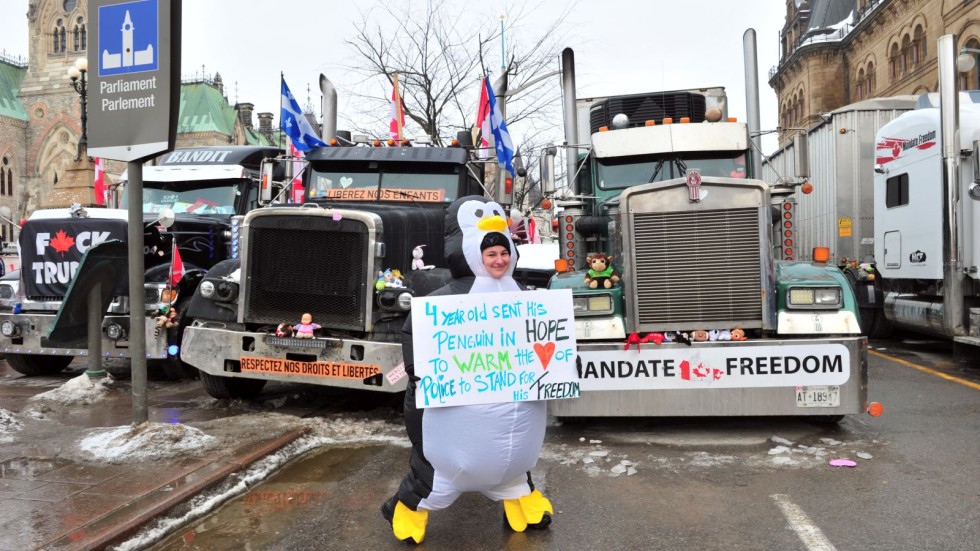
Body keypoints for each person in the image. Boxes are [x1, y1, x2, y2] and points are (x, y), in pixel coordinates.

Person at [381, 196, 553, 544]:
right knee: (439, 473)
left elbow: (547, 337)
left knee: (514, 459)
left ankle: (520, 493)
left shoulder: (524, 294)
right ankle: (409, 506)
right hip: (457, 417)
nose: (499, 260)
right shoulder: (445, 299)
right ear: (473, 252)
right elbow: (415, 334)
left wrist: (562, 364)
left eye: (504, 253)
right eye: (491, 254)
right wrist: (418, 370)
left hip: (514, 407)